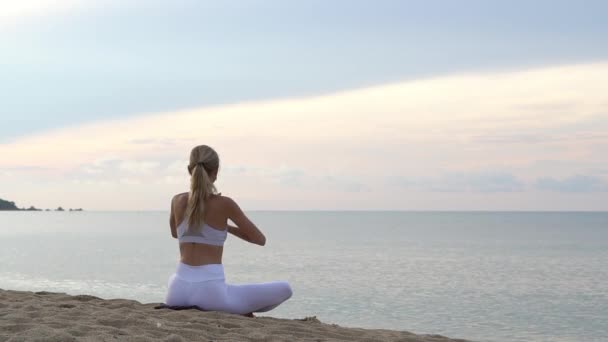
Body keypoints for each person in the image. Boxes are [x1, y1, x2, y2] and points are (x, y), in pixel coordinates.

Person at [164, 145, 292, 315]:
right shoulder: (224, 204)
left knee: (231, 292)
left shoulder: (176, 200)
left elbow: (175, 234)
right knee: (285, 289)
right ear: (216, 172)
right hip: (211, 294)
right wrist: (226, 228)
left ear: (190, 170)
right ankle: (241, 310)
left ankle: (236, 305)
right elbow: (260, 239)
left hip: (176, 292)